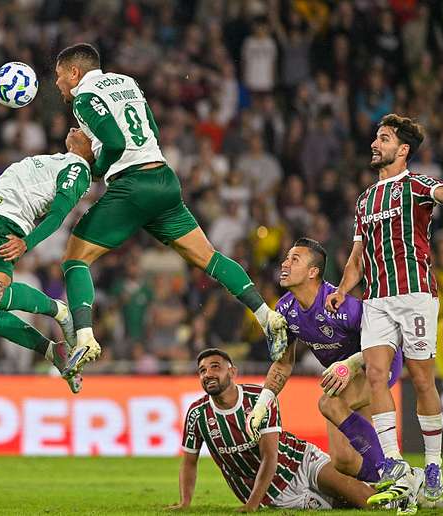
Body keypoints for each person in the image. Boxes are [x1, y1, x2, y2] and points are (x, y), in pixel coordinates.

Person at [52, 43, 288, 376]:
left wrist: (90, 166)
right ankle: (268, 316)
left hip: (132, 186)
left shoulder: (84, 98)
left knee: (75, 259)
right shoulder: (127, 82)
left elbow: (116, 144)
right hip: (163, 179)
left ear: (74, 72)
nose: (58, 84)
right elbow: (153, 129)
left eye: (59, 76)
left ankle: (85, 338)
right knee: (209, 257)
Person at [325, 114, 443, 503]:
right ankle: (393, 461)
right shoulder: (365, 199)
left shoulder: (415, 184)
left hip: (415, 296)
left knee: (422, 380)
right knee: (375, 375)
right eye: (375, 137)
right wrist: (341, 290)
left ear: (402, 150)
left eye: (383, 138)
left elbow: (440, 190)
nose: (375, 143)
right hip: (376, 299)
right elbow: (357, 256)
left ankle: (434, 464)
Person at [169, 348, 423, 513]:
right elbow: (189, 462)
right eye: (202, 370)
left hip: (300, 461)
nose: (208, 374)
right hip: (276, 494)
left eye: (215, 367)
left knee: (362, 498)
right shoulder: (197, 414)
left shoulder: (259, 398)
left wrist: (251, 505)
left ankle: (411, 492)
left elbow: (271, 456)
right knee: (342, 506)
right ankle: (408, 484)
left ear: (232, 371)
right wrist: (185, 503)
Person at [246, 238, 403, 488]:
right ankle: (404, 486)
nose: (285, 263)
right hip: (340, 377)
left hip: (376, 363)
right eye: (286, 258)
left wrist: (350, 364)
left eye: (294, 259)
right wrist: (262, 404)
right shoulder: (285, 309)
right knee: (344, 461)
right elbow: (284, 363)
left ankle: (394, 474)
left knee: (329, 402)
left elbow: (387, 338)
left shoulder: (341, 304)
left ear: (313, 272)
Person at [0, 130, 92, 393]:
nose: (74, 129)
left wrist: (27, 243)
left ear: (92, 150)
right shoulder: (58, 161)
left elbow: (58, 214)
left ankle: (56, 309)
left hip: (4, 224)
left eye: (83, 132)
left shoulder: (78, 169)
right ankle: (52, 351)